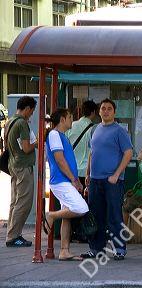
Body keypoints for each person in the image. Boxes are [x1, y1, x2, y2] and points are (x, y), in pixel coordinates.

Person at [81, 98, 133, 261]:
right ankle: (96, 249)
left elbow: (128, 153)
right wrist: (88, 174)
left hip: (113, 181)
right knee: (96, 216)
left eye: (109, 109)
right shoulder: (94, 129)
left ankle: (119, 249)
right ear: (99, 111)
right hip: (95, 180)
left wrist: (117, 174)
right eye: (103, 108)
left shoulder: (119, 131)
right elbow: (91, 152)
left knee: (114, 216)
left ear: (114, 112)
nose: (105, 111)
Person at [44, 108, 89, 261]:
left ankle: (64, 250)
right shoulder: (55, 134)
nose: (72, 120)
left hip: (64, 181)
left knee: (68, 215)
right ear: (62, 119)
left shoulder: (61, 135)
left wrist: (74, 179)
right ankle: (51, 215)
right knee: (81, 208)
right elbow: (59, 159)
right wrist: (74, 180)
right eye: (70, 117)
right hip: (61, 181)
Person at [5, 96, 37, 247]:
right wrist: (37, 142)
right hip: (23, 167)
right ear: (27, 108)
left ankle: (12, 234)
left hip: (13, 164)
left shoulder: (10, 121)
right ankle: (14, 236)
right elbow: (26, 148)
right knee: (24, 203)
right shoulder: (22, 124)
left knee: (15, 202)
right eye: (31, 111)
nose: (31, 114)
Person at [66, 100, 98, 194]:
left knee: (73, 201)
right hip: (86, 172)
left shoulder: (71, 125)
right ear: (93, 112)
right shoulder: (94, 129)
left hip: (71, 170)